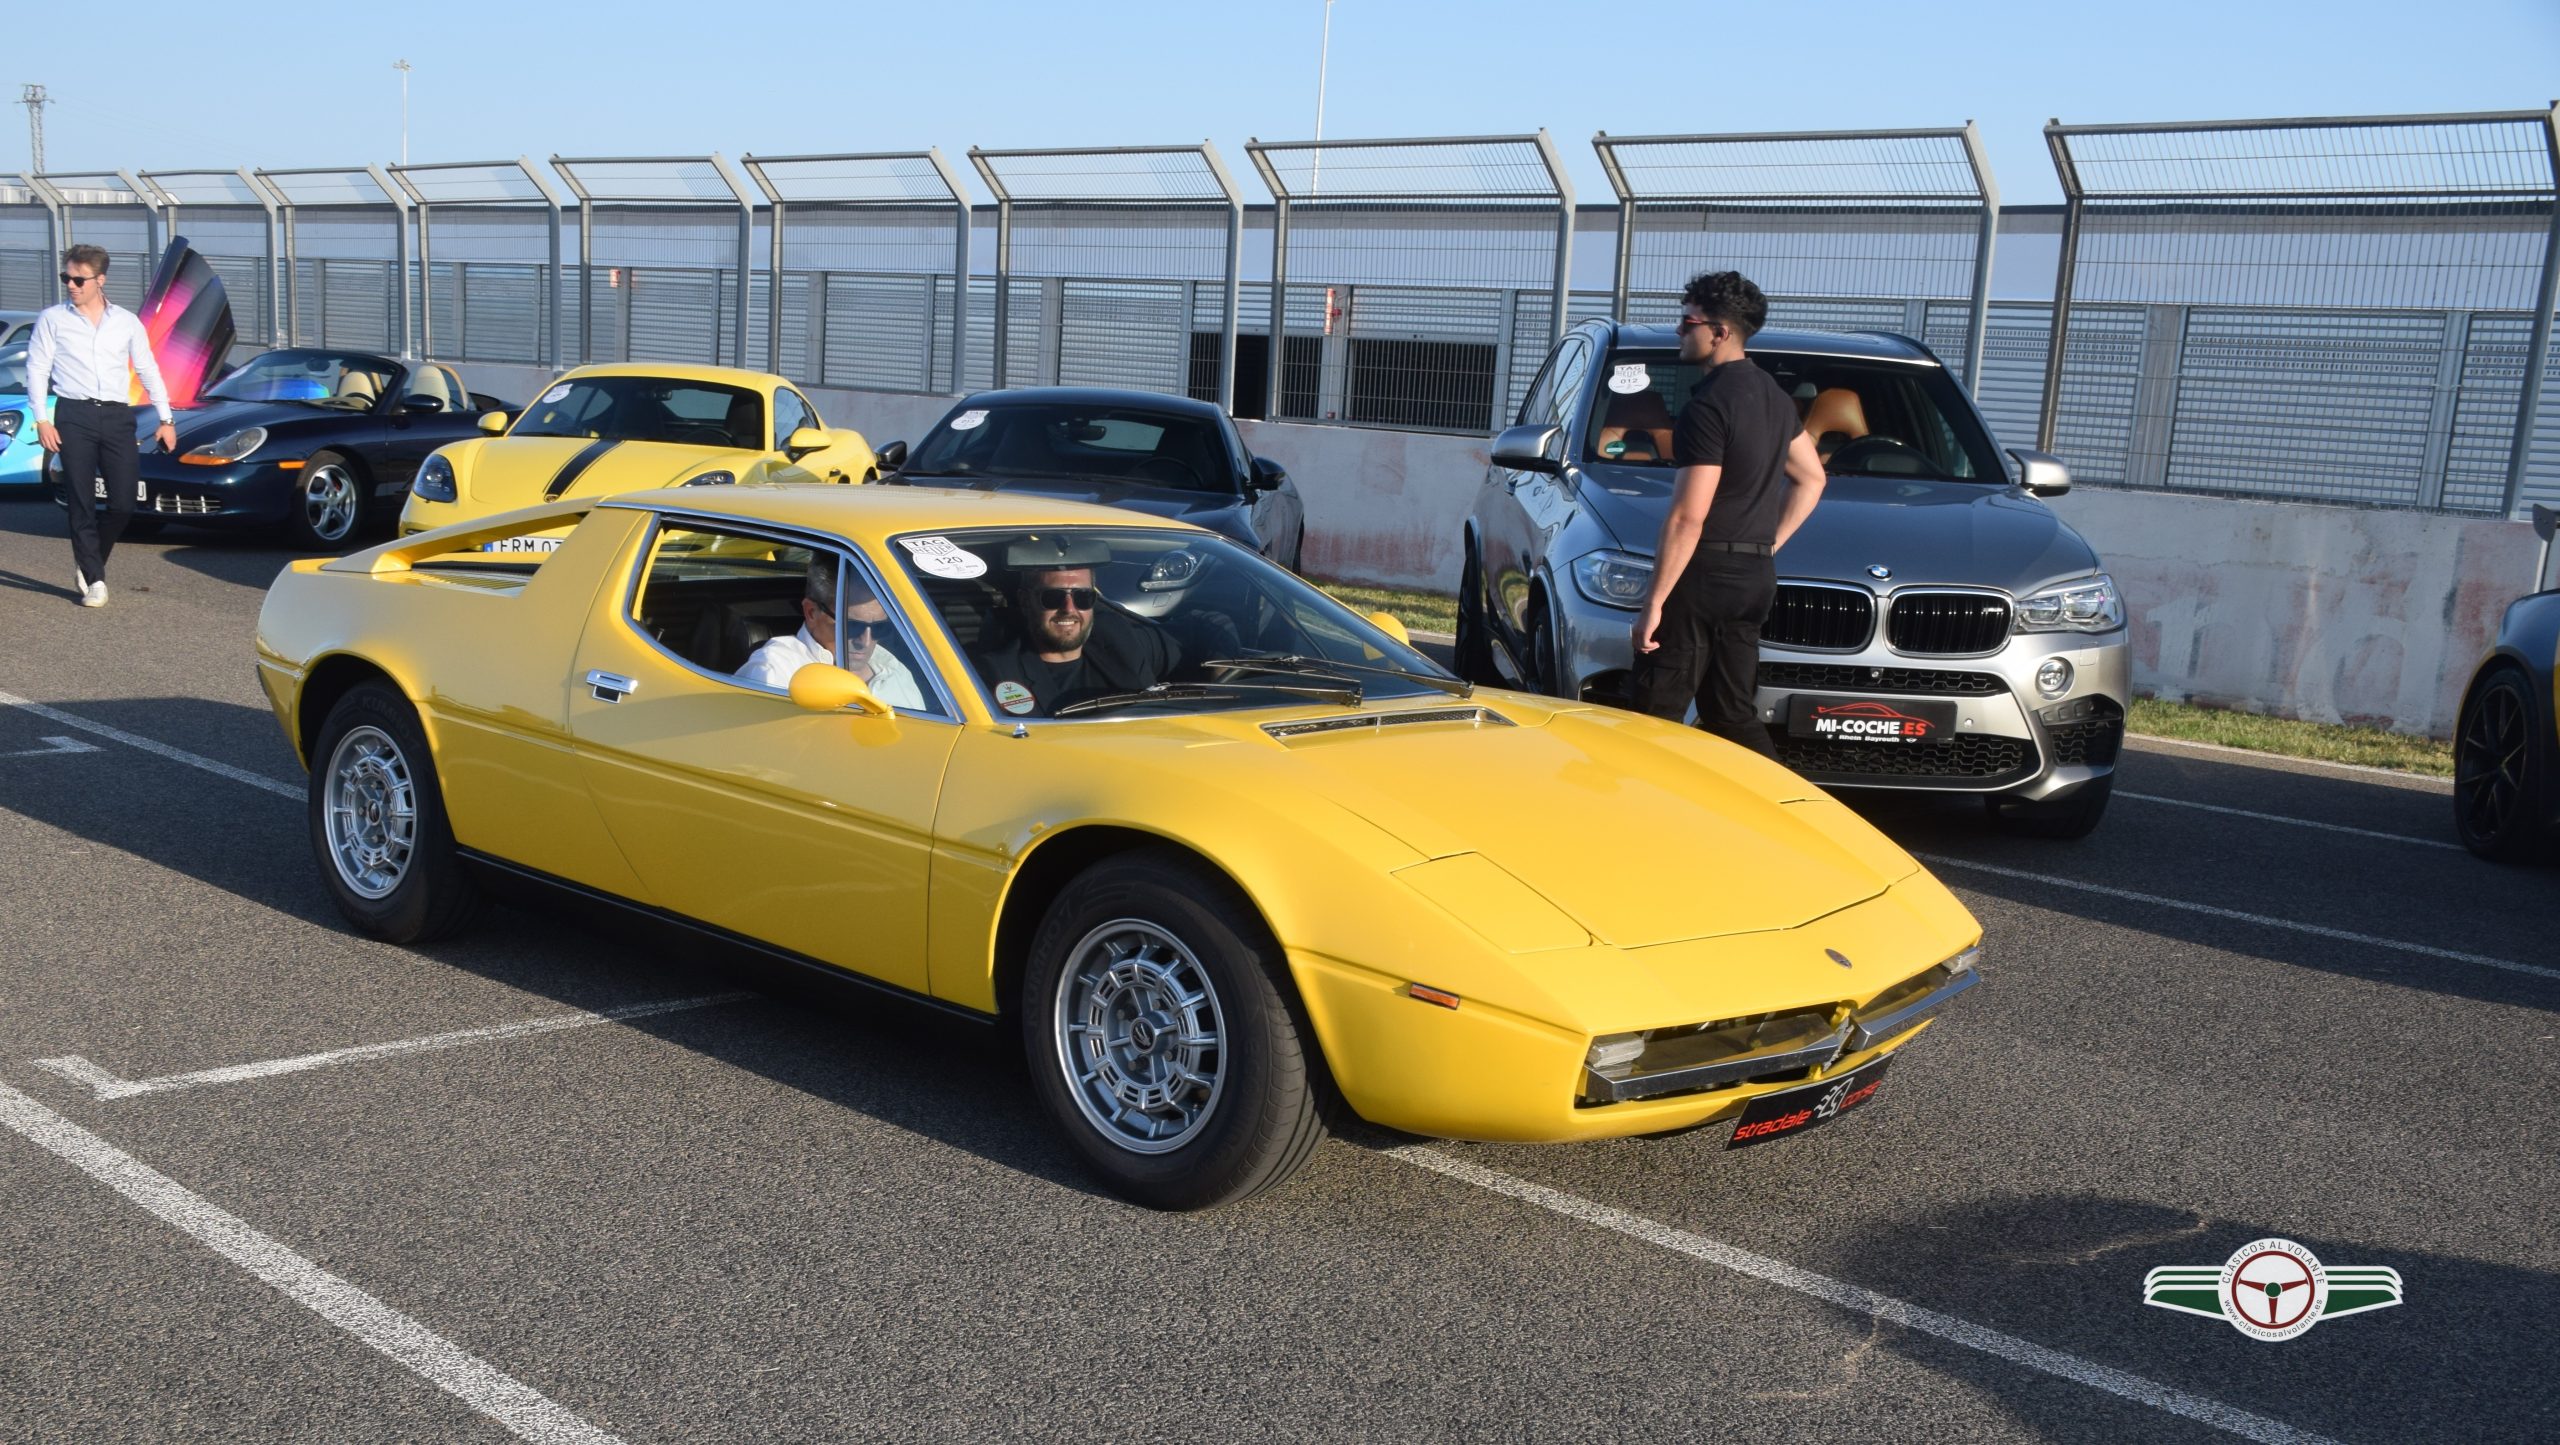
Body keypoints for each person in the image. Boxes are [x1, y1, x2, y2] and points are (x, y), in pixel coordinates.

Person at [1629, 271, 1828, 757]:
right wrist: (1767, 545)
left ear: (1720, 332)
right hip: (1753, 576)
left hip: (1703, 579)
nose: (1679, 331)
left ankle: (1640, 821)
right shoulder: (1775, 398)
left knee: (1655, 713)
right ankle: (1779, 813)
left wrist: (1654, 601)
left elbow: (1688, 516)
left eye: (1687, 321)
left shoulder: (1709, 405)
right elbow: (1812, 478)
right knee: (1731, 713)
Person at [27, 245, 178, 609]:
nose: (72, 285)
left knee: (124, 503)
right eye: (67, 278)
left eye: (79, 279)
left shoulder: (126, 321)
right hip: (73, 414)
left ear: (100, 280)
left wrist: (166, 418)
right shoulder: (53, 319)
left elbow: (147, 369)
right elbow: (37, 368)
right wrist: (41, 419)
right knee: (81, 500)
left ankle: (88, 560)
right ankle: (94, 578)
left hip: (116, 416)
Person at [970, 539, 1178, 716]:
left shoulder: (1121, 640)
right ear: (1025, 601)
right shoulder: (994, 674)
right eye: (1052, 597)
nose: (1069, 608)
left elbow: (1194, 640)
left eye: (1083, 597)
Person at [735, 559, 926, 710]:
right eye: (852, 625)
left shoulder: (893, 669)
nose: (866, 641)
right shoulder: (777, 671)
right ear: (811, 612)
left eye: (880, 627)